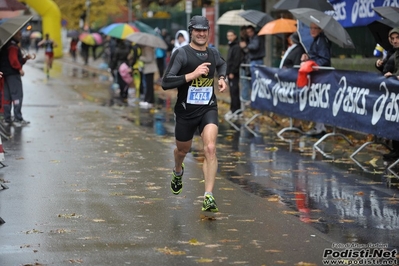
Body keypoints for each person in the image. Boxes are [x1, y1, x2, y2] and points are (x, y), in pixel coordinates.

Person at [161, 15, 227, 212]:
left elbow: (222, 64)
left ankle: (208, 196)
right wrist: (192, 75)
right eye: (197, 30)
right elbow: (166, 82)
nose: (201, 33)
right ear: (191, 31)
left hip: (208, 108)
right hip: (185, 112)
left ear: (208, 32)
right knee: (182, 150)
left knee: (210, 148)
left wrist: (222, 78)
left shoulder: (213, 53)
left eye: (204, 30)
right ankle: (177, 171)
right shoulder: (181, 54)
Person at [300, 22, 332, 136]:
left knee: (320, 100)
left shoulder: (322, 41)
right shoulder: (317, 40)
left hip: (322, 76)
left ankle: (320, 127)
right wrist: (307, 57)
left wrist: (311, 64)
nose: (312, 30)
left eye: (316, 28)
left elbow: (324, 60)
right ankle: (318, 126)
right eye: (311, 28)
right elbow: (316, 56)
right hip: (318, 76)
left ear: (321, 30)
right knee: (317, 100)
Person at [0, 30, 35, 126]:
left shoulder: (6, 44)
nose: (21, 36)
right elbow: (13, 60)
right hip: (13, 74)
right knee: (16, 95)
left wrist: (24, 59)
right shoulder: (13, 46)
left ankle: (7, 118)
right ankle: (18, 118)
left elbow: (13, 59)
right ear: (14, 34)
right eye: (19, 34)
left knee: (6, 96)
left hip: (5, 74)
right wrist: (19, 69)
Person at [381, 27, 399, 160]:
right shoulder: (393, 53)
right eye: (392, 39)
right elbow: (388, 68)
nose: (395, 41)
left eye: (397, 38)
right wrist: (380, 65)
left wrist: (395, 76)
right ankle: (395, 149)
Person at [225, 29, 241, 121]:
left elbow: (236, 60)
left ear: (235, 35)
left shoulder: (236, 47)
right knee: (232, 91)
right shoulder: (231, 46)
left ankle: (236, 110)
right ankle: (233, 109)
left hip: (233, 73)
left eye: (231, 35)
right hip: (230, 73)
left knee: (234, 91)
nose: (229, 37)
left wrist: (232, 72)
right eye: (228, 35)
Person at [239, 26, 251, 105]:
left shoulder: (249, 40)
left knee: (246, 82)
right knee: (244, 82)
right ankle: (244, 98)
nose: (242, 33)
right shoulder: (241, 40)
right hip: (243, 63)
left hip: (247, 63)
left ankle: (246, 99)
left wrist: (245, 46)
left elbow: (248, 51)